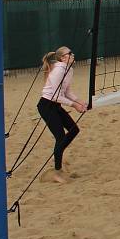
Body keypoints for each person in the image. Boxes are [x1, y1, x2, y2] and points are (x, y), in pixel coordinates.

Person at [38, 46, 86, 183]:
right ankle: (57, 172)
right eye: (69, 53)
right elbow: (55, 96)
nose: (72, 55)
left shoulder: (69, 69)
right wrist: (75, 105)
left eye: (72, 52)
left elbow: (67, 93)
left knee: (74, 130)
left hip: (56, 104)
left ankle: (58, 154)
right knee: (60, 137)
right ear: (62, 58)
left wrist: (80, 102)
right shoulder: (59, 69)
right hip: (46, 105)